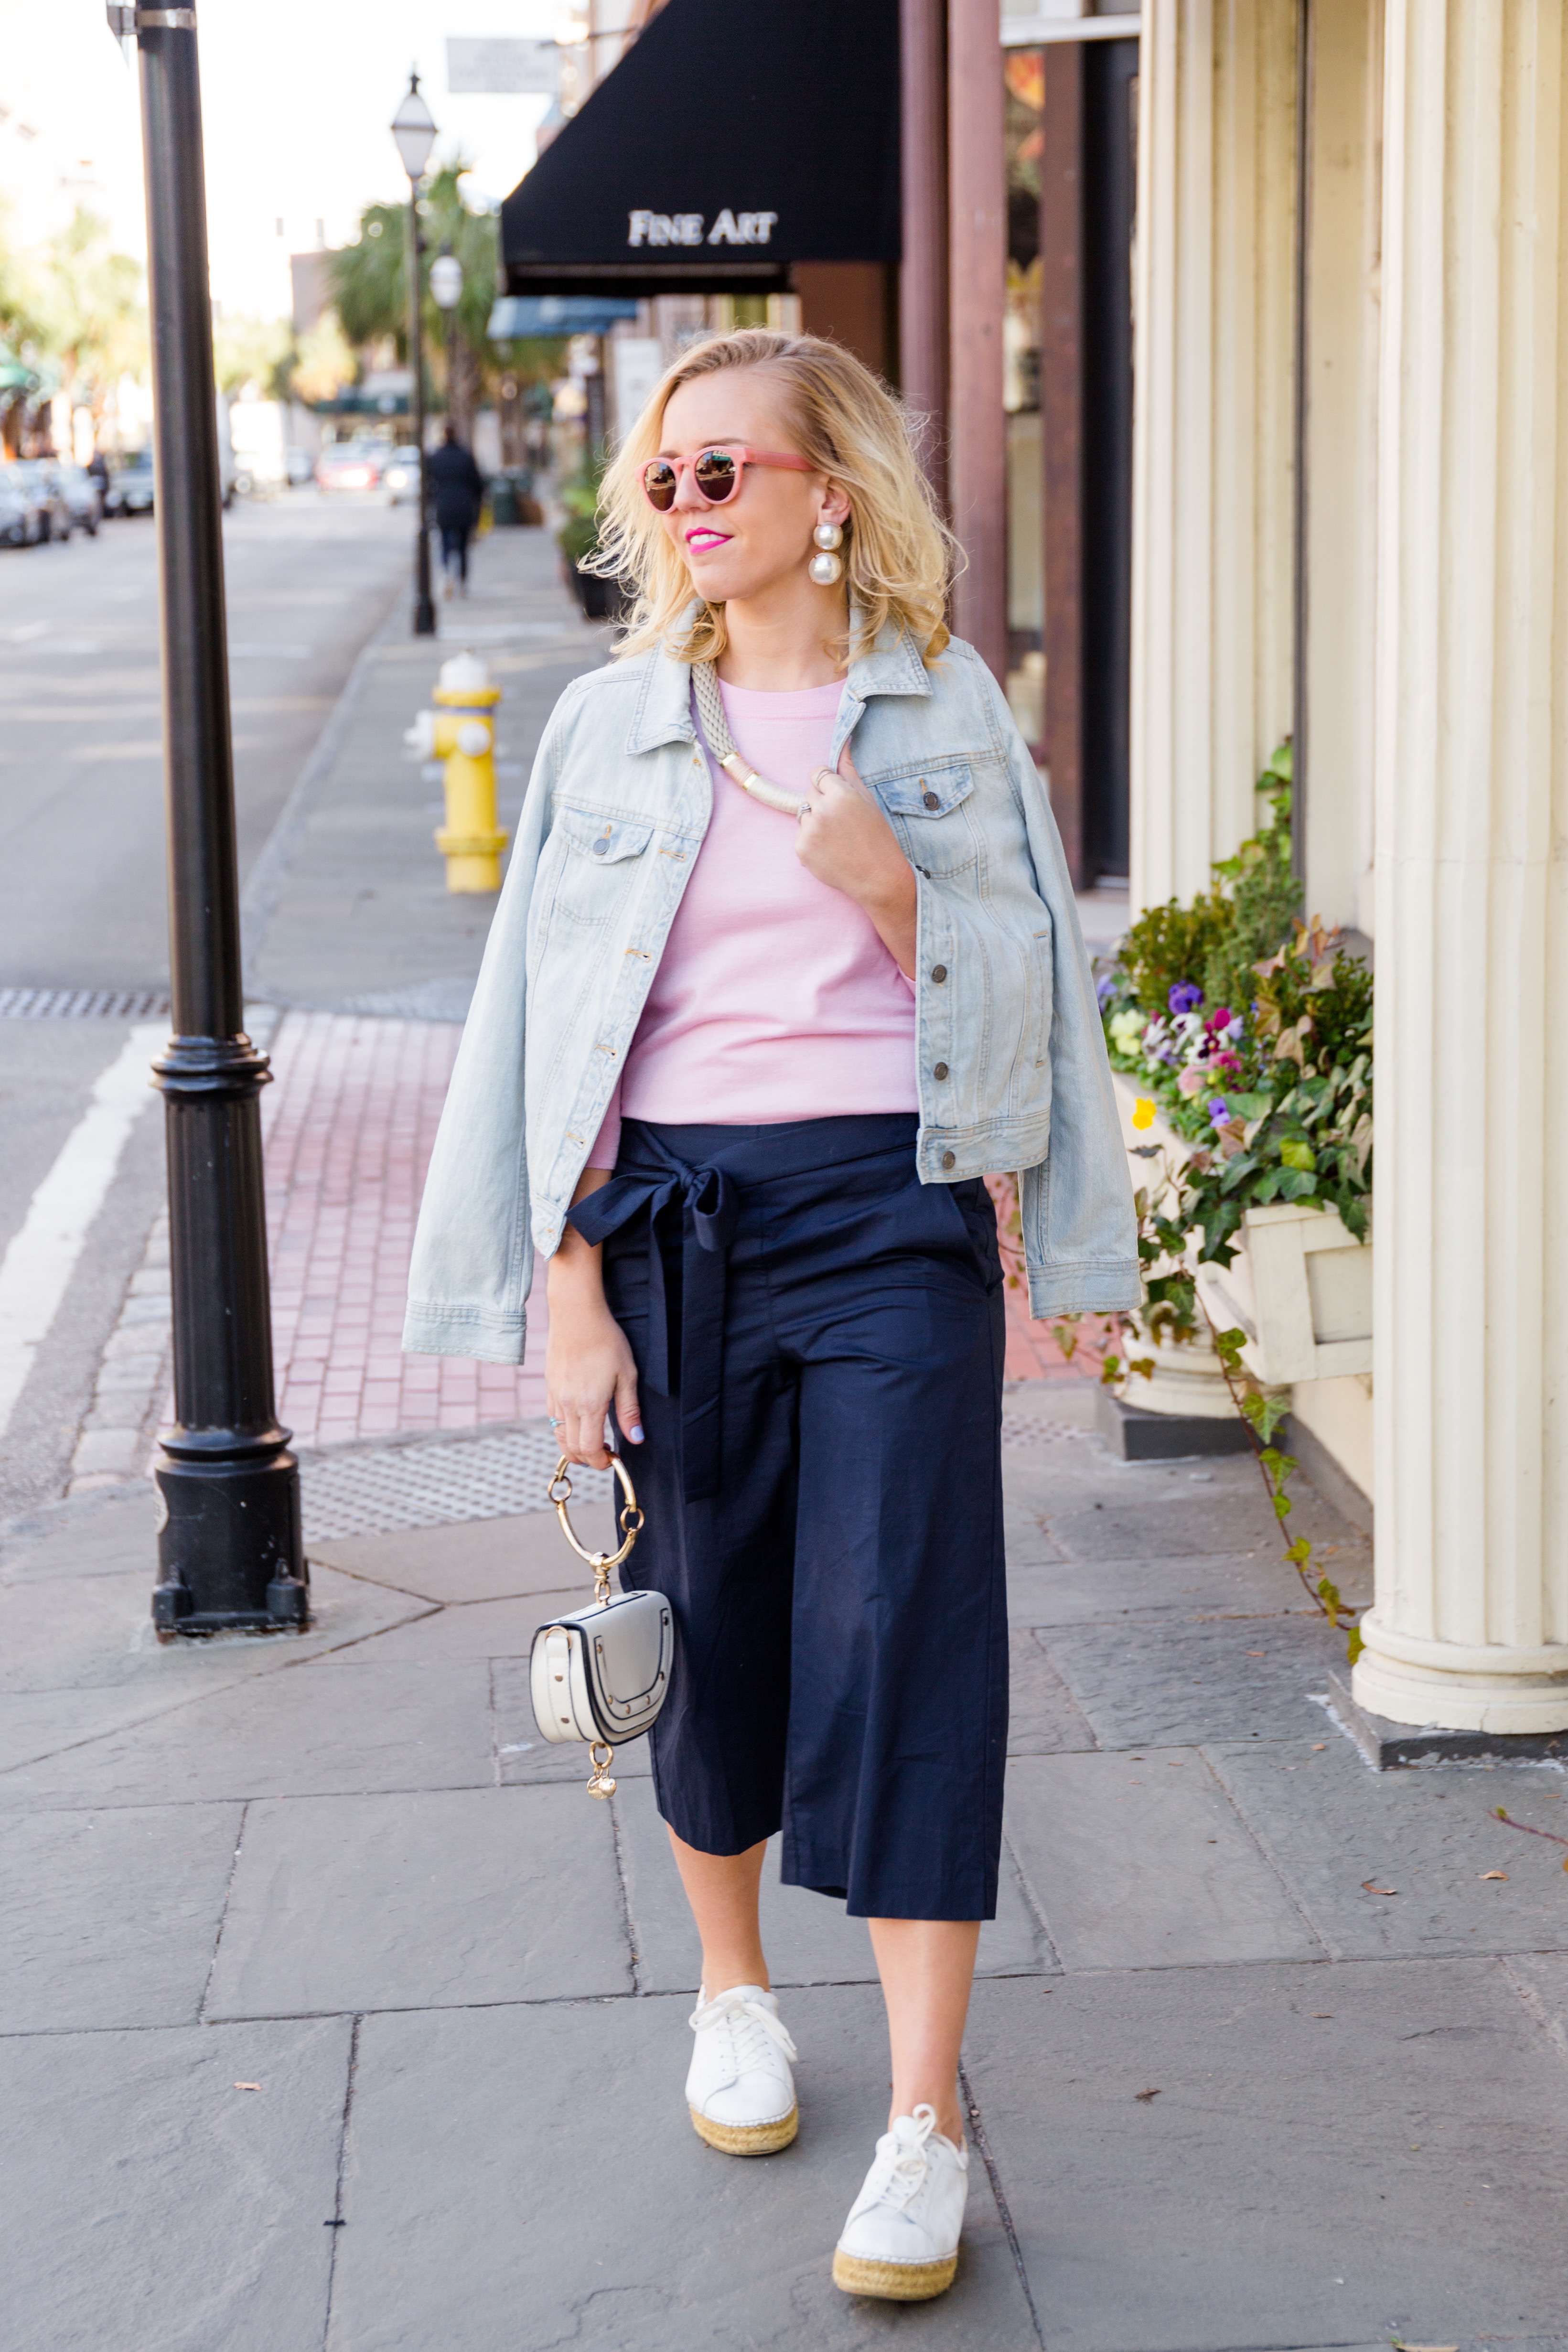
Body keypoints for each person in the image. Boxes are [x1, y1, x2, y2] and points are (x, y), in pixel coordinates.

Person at [405, 330, 1138, 2300]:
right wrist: (565, 1285)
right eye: (666, 480)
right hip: (669, 1227)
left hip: (888, 1219)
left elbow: (1034, 993)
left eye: (725, 469)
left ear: (833, 490)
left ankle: (923, 2119)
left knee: (910, 1623)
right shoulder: (610, 727)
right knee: (708, 1617)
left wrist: (898, 894)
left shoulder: (945, 712)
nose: (690, 508)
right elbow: (541, 1040)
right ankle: (730, 1990)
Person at [427, 421, 484, 595]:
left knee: (444, 544)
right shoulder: (466, 456)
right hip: (465, 506)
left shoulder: (436, 457)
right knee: (463, 547)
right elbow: (478, 484)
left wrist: (433, 503)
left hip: (444, 506)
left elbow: (429, 486)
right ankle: (463, 582)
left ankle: (447, 575)